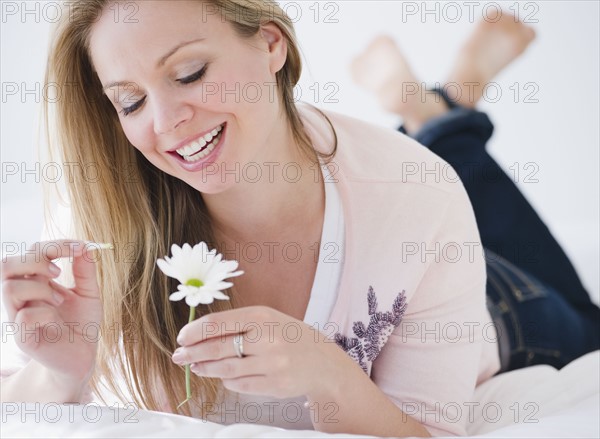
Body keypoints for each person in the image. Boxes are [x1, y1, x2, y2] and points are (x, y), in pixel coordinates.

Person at [0, 1, 587, 437]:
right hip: (383, 190)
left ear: (271, 44)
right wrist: (65, 370)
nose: (167, 120)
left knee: (582, 316)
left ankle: (446, 115)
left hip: (505, 313)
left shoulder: (417, 192)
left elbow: (429, 432)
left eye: (189, 74)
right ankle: (442, 108)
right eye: (130, 101)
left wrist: (328, 374)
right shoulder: (102, 225)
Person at [350, 16, 600, 373]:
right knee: (590, 337)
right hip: (470, 306)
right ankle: (445, 112)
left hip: (442, 296)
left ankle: (445, 112)